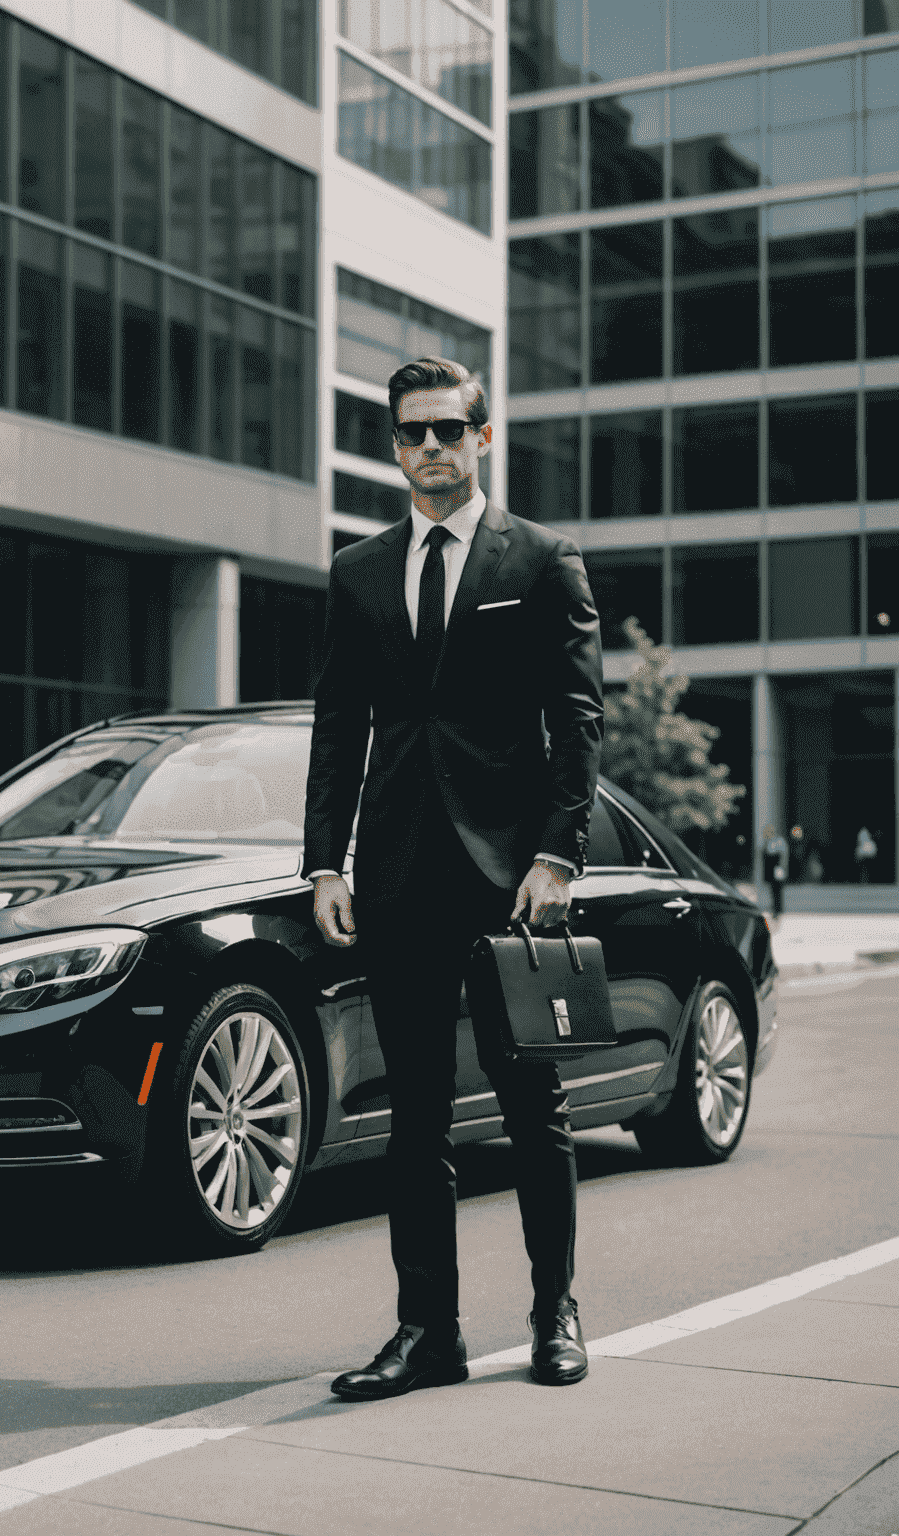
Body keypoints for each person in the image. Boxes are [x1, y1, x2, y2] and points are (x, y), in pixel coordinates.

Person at [302, 356, 603, 1398]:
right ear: (394, 447)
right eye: (410, 432)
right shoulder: (358, 571)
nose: (428, 446)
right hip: (392, 878)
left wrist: (558, 853)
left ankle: (554, 1314)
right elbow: (338, 728)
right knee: (416, 1118)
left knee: (534, 1110)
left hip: (512, 880)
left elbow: (577, 723)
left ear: (483, 438)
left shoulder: (542, 560)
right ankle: (428, 1331)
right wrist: (323, 864)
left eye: (446, 429)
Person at [762, 825, 788, 919]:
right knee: (773, 890)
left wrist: (782, 866)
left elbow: (783, 855)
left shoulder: (780, 841)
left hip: (777, 868)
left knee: (777, 890)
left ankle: (778, 909)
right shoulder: (768, 842)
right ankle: (775, 908)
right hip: (770, 868)